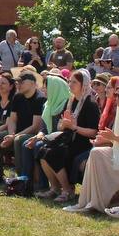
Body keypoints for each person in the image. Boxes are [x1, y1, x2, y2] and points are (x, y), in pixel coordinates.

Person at [66, 81, 119, 213]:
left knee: (97, 156)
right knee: (96, 153)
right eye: (116, 95)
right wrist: (106, 139)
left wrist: (113, 138)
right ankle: (91, 200)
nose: (116, 98)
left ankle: (101, 201)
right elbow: (118, 140)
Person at [37, 68, 99, 203]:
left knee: (54, 153)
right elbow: (62, 125)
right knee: (42, 152)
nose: (70, 85)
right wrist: (64, 125)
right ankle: (55, 188)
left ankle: (68, 190)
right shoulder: (70, 102)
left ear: (84, 85)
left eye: (74, 82)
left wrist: (74, 127)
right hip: (68, 139)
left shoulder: (90, 104)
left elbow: (93, 132)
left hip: (83, 142)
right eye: (70, 81)